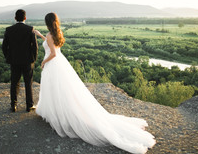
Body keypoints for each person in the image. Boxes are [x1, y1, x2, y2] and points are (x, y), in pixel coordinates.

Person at [33, 12, 156, 154]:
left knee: (55, 89)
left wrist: (43, 62)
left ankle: (59, 114)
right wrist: (40, 35)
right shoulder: (57, 33)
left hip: (53, 64)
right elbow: (51, 44)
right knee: (65, 90)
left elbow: (52, 53)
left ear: (47, 22)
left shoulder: (49, 36)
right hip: (61, 64)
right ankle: (59, 112)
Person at [2, 9, 38, 112]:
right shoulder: (30, 29)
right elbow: (35, 47)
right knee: (28, 83)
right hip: (28, 61)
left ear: (15, 18)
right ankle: (29, 105)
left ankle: (13, 105)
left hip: (14, 61)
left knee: (14, 83)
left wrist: (9, 57)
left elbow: (4, 47)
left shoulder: (9, 30)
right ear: (25, 18)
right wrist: (33, 59)